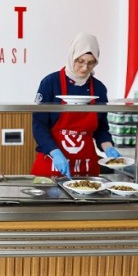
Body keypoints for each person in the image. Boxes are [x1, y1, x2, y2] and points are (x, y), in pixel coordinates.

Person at [31, 32, 120, 178]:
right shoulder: (50, 83)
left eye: (91, 63)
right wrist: (55, 152)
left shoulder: (99, 88)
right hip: (52, 163)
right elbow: (39, 126)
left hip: (86, 166)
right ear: (72, 56)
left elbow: (101, 128)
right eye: (80, 61)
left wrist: (108, 147)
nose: (85, 67)